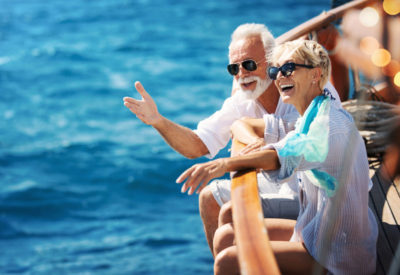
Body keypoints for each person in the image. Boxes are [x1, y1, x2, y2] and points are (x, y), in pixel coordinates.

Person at [123, 23, 341, 255]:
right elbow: (198, 143)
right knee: (210, 198)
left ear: (272, 63)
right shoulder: (242, 102)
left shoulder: (306, 89)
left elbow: (302, 145)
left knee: (230, 226)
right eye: (233, 69)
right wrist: (158, 121)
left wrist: (236, 159)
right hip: (280, 187)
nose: (241, 75)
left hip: (317, 196)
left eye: (248, 65)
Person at [176, 39, 378, 274]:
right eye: (275, 70)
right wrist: (254, 143)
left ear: (316, 74)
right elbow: (254, 128)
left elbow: (281, 157)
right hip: (316, 229)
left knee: (227, 260)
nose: (279, 77)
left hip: (340, 253)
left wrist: (223, 164)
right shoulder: (310, 114)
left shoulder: (329, 127)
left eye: (289, 69)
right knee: (225, 236)